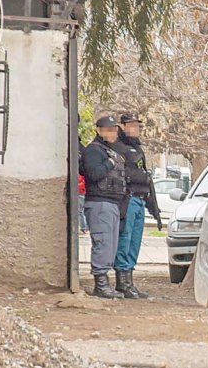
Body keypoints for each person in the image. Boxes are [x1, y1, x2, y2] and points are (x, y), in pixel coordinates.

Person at [112, 113, 163, 299]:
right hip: (128, 198)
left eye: (137, 125)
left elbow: (145, 176)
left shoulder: (137, 147)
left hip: (141, 198)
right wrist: (141, 177)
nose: (135, 129)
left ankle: (130, 281)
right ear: (123, 126)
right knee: (124, 239)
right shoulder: (118, 146)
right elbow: (125, 173)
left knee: (135, 241)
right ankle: (122, 282)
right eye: (131, 125)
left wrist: (154, 209)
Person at [82, 115, 127, 299]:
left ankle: (105, 283)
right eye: (109, 130)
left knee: (111, 245)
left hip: (112, 202)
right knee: (103, 242)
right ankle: (100, 285)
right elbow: (93, 174)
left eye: (114, 129)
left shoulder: (109, 150)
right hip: (99, 202)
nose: (113, 133)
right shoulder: (94, 150)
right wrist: (109, 163)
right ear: (99, 131)